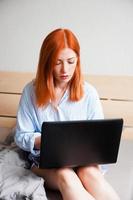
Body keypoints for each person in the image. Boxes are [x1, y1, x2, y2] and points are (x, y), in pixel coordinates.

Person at [15, 28, 120, 200]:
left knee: (91, 175)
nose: (65, 69)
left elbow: (99, 137)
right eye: (58, 62)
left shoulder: (89, 93)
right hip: (45, 163)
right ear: (47, 62)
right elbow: (21, 136)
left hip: (83, 161)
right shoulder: (30, 92)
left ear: (77, 60)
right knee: (66, 176)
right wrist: (47, 141)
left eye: (71, 61)